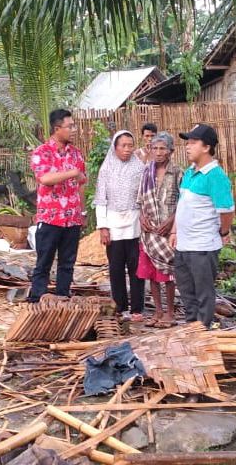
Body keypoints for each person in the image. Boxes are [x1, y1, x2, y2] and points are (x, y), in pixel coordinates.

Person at [170, 124, 234, 328]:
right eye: (187, 142)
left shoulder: (215, 175)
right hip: (184, 245)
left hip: (203, 247)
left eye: (192, 142)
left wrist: (223, 231)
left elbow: (226, 210)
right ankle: (192, 329)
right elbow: (183, 205)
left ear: (206, 147)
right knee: (187, 292)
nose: (187, 147)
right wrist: (175, 231)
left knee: (204, 294)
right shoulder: (190, 172)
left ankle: (203, 331)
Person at [28, 109, 86, 301]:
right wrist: (72, 173)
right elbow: (45, 178)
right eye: (70, 126)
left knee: (67, 264)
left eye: (74, 125)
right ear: (57, 128)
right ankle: (37, 301)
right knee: (44, 262)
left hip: (72, 219)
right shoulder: (41, 152)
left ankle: (63, 299)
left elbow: (81, 183)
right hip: (50, 218)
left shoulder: (76, 154)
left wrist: (82, 211)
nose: (74, 130)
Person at [94, 130, 146, 320]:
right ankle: (120, 305)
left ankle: (137, 308)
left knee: (136, 268)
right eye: (123, 146)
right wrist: (103, 227)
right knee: (116, 268)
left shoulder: (139, 168)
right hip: (113, 225)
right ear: (115, 147)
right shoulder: (106, 170)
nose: (127, 149)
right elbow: (101, 200)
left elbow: (144, 196)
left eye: (130, 146)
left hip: (135, 224)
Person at [136, 132, 180, 327]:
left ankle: (170, 312)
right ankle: (158, 311)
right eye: (155, 148)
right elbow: (140, 200)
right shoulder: (147, 172)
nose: (158, 152)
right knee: (151, 274)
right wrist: (142, 217)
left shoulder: (178, 172)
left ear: (171, 151)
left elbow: (184, 202)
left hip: (167, 232)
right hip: (149, 230)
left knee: (168, 273)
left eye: (163, 148)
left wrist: (172, 221)